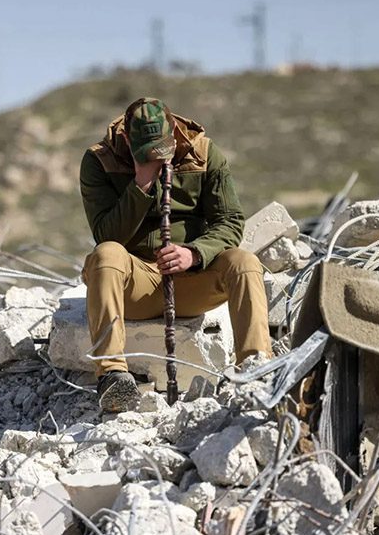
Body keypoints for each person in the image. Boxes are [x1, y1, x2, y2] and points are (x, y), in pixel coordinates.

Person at [79, 97, 272, 412]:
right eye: (145, 151)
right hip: (135, 283)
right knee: (105, 254)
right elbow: (106, 234)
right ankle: (113, 377)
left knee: (244, 262)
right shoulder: (100, 160)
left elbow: (230, 222)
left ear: (173, 132)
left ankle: (256, 370)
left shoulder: (204, 153)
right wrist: (141, 184)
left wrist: (195, 253)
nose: (156, 157)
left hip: (191, 279)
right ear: (126, 138)